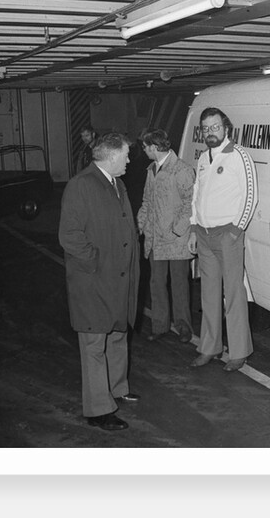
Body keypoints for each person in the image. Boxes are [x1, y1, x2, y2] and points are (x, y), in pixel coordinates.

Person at [59, 132, 141, 431]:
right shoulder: (81, 185)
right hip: (94, 280)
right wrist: (95, 262)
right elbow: (69, 235)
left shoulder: (116, 183)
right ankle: (98, 409)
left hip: (118, 278)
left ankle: (118, 388)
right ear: (110, 156)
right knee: (95, 342)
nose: (129, 160)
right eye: (125, 156)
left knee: (118, 333)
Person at [188, 107, 258, 372]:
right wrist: (194, 228)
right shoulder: (204, 158)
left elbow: (250, 195)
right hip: (204, 236)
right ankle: (210, 347)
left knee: (234, 294)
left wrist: (236, 230)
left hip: (227, 235)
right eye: (206, 128)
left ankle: (239, 351)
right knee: (208, 295)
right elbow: (197, 194)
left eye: (215, 127)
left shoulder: (239, 155)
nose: (210, 133)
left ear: (226, 128)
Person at [137, 129, 196, 344]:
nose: (143, 151)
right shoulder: (151, 170)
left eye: (145, 147)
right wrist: (141, 224)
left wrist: (176, 230)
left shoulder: (182, 170)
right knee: (157, 283)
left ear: (154, 147)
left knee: (179, 284)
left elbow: (191, 205)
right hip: (155, 239)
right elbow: (146, 202)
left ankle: (184, 328)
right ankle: (160, 326)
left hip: (176, 240)